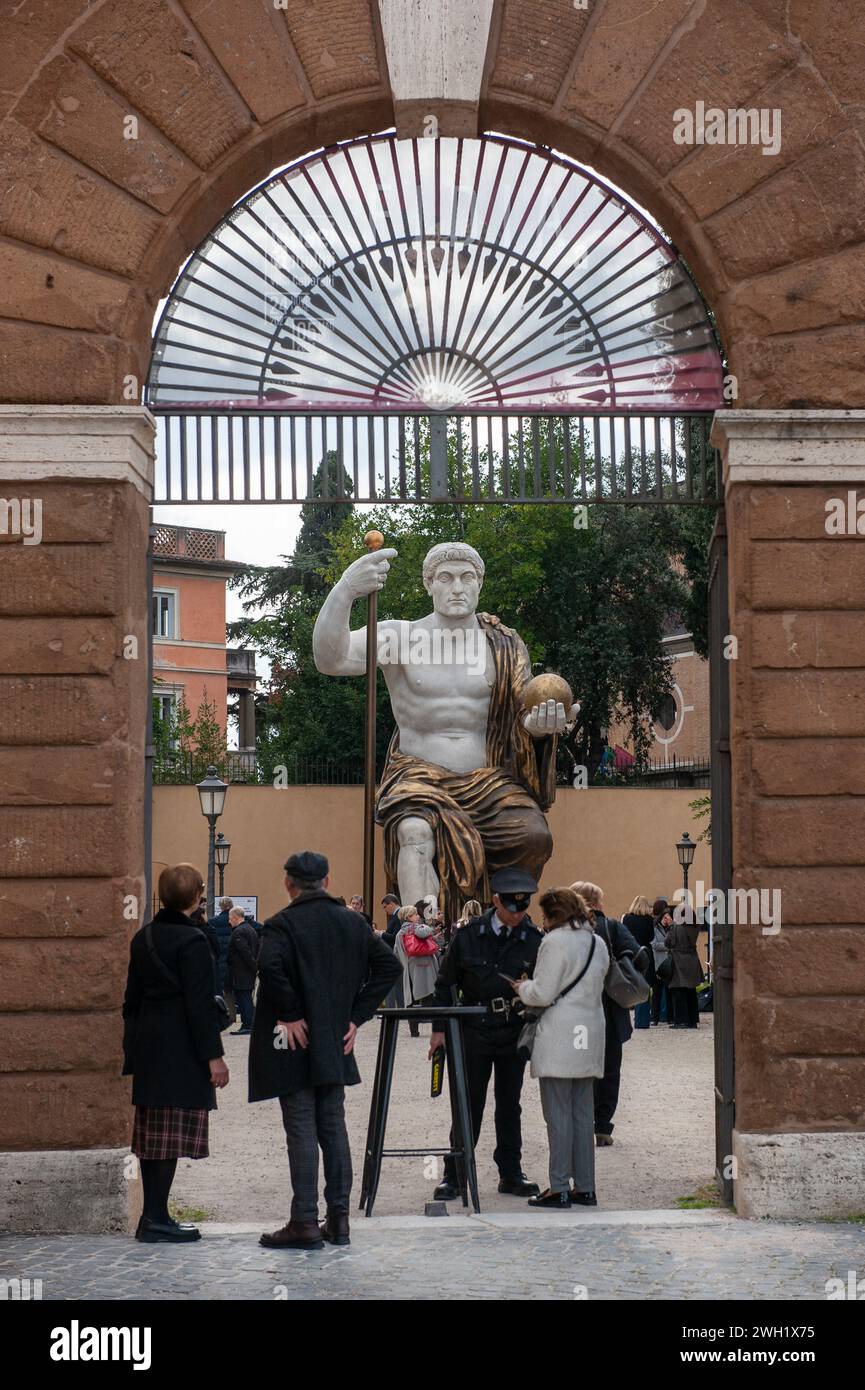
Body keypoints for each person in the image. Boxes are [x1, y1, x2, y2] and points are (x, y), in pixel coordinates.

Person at [313, 540, 575, 923]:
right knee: (416, 834)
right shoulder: (399, 637)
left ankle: (497, 925)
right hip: (418, 779)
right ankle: (424, 932)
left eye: (467, 577)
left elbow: (522, 716)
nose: (457, 587)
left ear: (479, 584)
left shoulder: (503, 644)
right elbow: (329, 659)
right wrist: (346, 589)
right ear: (428, 584)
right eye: (446, 578)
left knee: (534, 836)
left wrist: (538, 728)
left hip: (488, 783)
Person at [248, 851, 400, 1251]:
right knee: (332, 1125)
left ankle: (304, 1220)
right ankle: (339, 1218)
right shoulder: (354, 923)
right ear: (327, 882)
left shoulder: (282, 924)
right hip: (334, 1037)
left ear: (289, 884)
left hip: (294, 1042)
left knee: (300, 1126)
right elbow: (390, 967)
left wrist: (291, 1013)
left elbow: (269, 967)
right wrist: (356, 1017)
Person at [122, 863, 229, 1244]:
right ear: (199, 896)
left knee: (153, 1132)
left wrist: (131, 1049)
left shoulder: (144, 937)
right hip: (181, 1047)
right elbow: (199, 1006)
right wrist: (214, 1056)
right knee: (167, 1134)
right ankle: (155, 1218)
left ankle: (155, 1215)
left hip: (150, 1044)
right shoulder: (194, 942)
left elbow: (130, 1001)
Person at [428, 868, 543, 1201]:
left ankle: (510, 1172)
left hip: (513, 1032)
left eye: (523, 908)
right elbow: (445, 984)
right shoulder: (469, 935)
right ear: (496, 901)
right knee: (468, 1103)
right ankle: (455, 1174)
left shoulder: (533, 938)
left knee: (510, 1105)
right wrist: (439, 1030)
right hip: (473, 1030)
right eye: (512, 907)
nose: (518, 914)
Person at [513, 888, 609, 1209]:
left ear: (555, 914)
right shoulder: (597, 942)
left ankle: (558, 1186)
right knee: (583, 1113)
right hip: (589, 1031)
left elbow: (542, 993)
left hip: (559, 1033)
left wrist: (521, 987)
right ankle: (586, 1186)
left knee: (557, 1114)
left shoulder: (553, 942)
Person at [571, 880, 642, 1148]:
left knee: (579, 1068)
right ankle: (602, 1126)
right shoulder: (612, 926)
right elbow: (638, 956)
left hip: (576, 1011)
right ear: (597, 901)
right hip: (610, 1009)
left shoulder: (564, 930)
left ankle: (579, 1122)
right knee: (610, 1068)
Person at [393, 902, 441, 1038]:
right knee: (429, 995)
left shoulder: (400, 932)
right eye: (414, 914)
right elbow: (423, 932)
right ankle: (437, 1028)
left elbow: (396, 952)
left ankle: (414, 1030)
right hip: (422, 968)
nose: (417, 915)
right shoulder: (414, 928)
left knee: (412, 1000)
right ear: (408, 917)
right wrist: (430, 926)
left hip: (408, 968)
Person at [623, 895, 655, 1030]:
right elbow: (651, 937)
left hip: (631, 953)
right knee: (645, 986)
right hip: (645, 953)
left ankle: (635, 1018)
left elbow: (624, 935)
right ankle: (643, 1020)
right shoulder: (648, 919)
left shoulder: (627, 918)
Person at [666, 912, 703, 1028]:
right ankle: (693, 1020)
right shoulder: (695, 927)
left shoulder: (676, 928)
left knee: (678, 992)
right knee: (691, 992)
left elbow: (668, 942)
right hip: (692, 960)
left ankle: (681, 1021)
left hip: (678, 961)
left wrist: (671, 925)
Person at [227, 906, 260, 1035]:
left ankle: (247, 1025)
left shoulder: (239, 932)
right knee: (246, 997)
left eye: (230, 918)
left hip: (241, 972)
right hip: (247, 971)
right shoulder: (250, 929)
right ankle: (249, 1024)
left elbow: (245, 952)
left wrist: (254, 967)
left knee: (244, 998)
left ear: (235, 917)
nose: (229, 921)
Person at [651, 898, 674, 1025]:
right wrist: (668, 945)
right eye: (665, 915)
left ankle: (670, 1017)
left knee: (669, 992)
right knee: (657, 992)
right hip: (659, 963)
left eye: (668, 916)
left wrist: (671, 926)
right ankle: (654, 1017)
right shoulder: (654, 928)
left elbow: (675, 940)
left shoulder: (671, 927)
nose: (667, 918)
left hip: (669, 964)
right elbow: (654, 944)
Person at [207, 896, 234, 996]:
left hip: (218, 956)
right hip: (232, 957)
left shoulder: (213, 921)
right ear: (231, 906)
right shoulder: (236, 920)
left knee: (220, 986)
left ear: (221, 907)